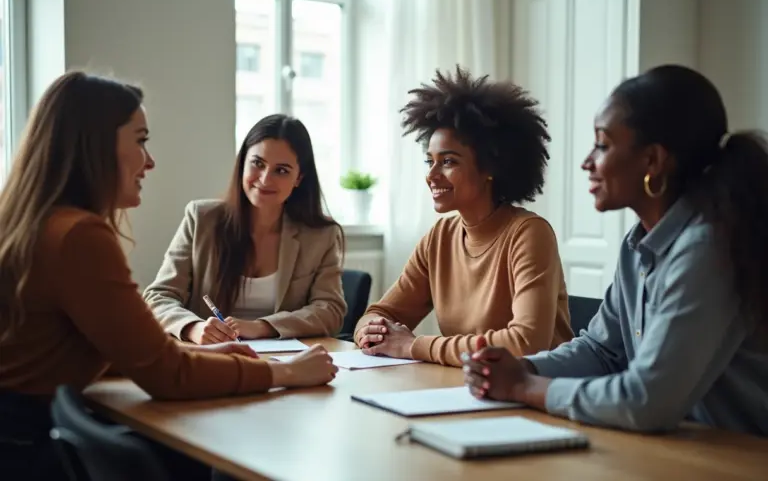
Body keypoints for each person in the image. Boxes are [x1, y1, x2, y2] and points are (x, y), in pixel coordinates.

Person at [0, 72, 338, 480]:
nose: (150, 160)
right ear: (97, 145)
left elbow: (113, 351)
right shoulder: (80, 236)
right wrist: (284, 372)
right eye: (141, 140)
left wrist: (195, 355)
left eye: (282, 170)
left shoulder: (38, 222)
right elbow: (164, 373)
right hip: (29, 450)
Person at [463, 64, 768, 436]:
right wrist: (525, 367)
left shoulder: (708, 249)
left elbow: (646, 401)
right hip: (687, 449)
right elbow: (602, 351)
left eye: (603, 144)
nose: (587, 162)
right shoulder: (638, 244)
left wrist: (522, 387)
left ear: (652, 160)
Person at [354, 66, 573, 367]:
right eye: (429, 161)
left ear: (490, 168)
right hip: (469, 390)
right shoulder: (440, 237)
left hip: (534, 394)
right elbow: (381, 313)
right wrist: (372, 330)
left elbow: (525, 343)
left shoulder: (529, 234)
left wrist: (413, 346)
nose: (432, 175)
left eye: (448, 161)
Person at [144, 114, 346, 344]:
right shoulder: (201, 219)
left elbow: (330, 310)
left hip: (287, 360)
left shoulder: (321, 235)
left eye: (281, 170)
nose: (265, 179)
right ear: (242, 163)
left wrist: (262, 327)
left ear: (299, 177)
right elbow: (158, 296)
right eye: (258, 164)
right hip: (208, 358)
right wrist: (194, 328)